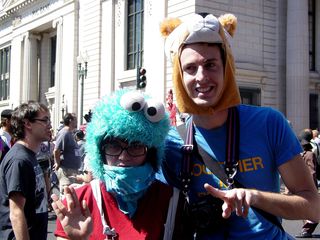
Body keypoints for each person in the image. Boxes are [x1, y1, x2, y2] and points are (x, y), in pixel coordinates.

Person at [159, 12, 320, 239]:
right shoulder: (169, 142)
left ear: (227, 67)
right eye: (190, 68)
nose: (201, 77)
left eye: (210, 64)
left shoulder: (269, 123)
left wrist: (255, 197)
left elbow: (313, 207)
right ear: (179, 75)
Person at [51, 90, 176, 240]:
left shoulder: (171, 201)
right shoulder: (77, 203)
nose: (123, 157)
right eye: (113, 146)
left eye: (135, 146)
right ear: (100, 152)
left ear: (151, 153)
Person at [0, 101, 52, 239]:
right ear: (28, 124)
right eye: (45, 120)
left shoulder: (30, 156)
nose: (50, 125)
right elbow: (16, 212)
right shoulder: (19, 160)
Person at [295, 131, 319, 238]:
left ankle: (307, 231)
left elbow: (312, 172)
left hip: (308, 186)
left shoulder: (309, 154)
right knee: (305, 208)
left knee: (311, 208)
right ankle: (306, 230)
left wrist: (312, 188)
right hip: (302, 186)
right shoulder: (302, 154)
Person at [53, 113, 81, 193]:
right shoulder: (64, 133)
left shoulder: (70, 133)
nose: (77, 122)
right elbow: (56, 150)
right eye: (75, 120)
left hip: (72, 171)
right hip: (66, 170)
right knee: (67, 193)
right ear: (70, 120)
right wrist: (57, 163)